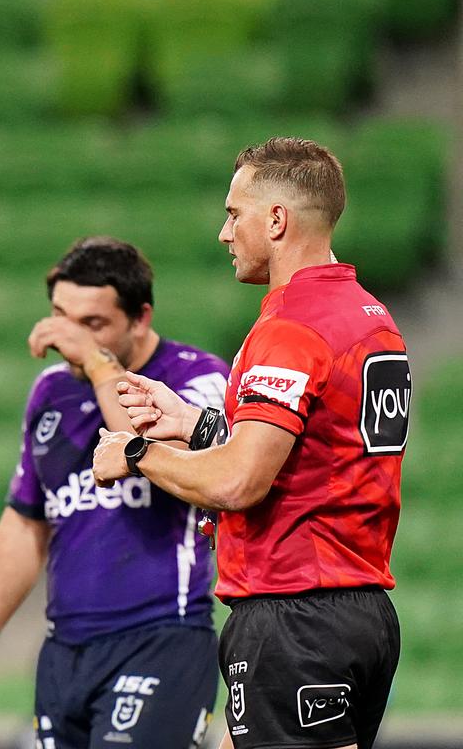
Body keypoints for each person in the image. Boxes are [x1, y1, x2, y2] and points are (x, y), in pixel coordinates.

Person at [93, 138, 408, 749]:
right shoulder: (371, 317)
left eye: (234, 213)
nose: (223, 232)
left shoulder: (291, 326)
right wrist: (194, 424)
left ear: (277, 220)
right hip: (358, 610)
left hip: (294, 614)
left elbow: (240, 481)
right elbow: (319, 451)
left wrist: (136, 453)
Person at [0, 237, 230, 749]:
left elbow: (143, 457)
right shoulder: (50, 393)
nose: (72, 339)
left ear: (140, 318)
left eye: (93, 324)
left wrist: (100, 367)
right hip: (65, 653)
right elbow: (25, 522)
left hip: (161, 639)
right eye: (61, 317)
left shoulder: (197, 378)